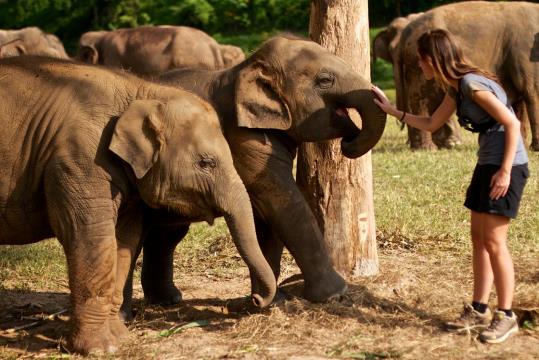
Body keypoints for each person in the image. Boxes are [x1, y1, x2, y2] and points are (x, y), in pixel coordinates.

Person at [372, 29, 529, 344]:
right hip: (487, 164)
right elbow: (432, 124)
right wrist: (391, 111)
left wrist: (504, 172)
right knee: (478, 239)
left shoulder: (471, 85)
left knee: (495, 242)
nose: (420, 65)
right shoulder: (457, 88)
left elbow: (513, 123)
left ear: (432, 58)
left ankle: (507, 315)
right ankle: (479, 308)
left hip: (506, 167)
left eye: (421, 59)